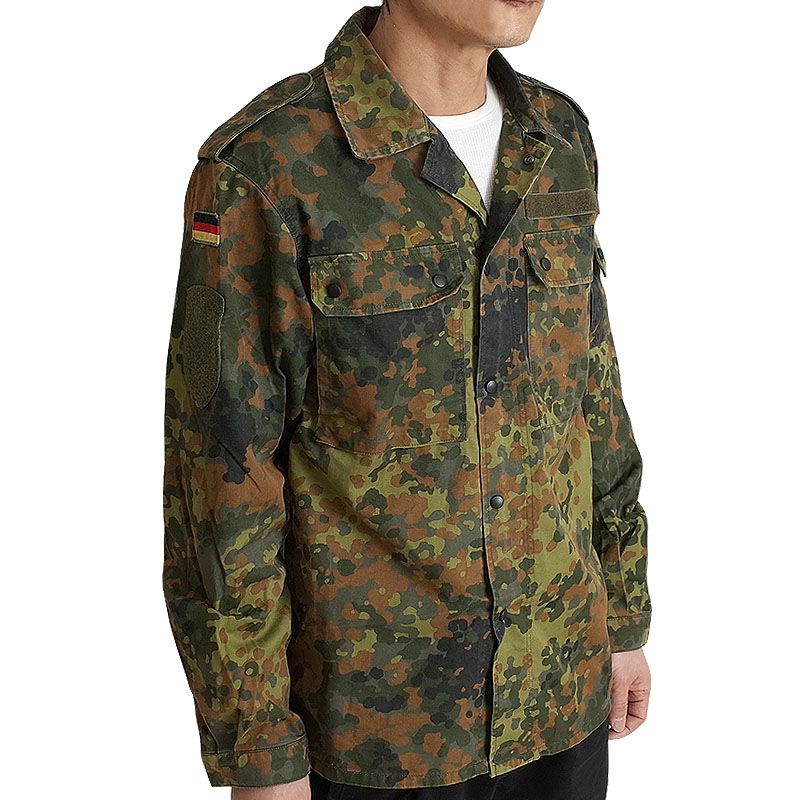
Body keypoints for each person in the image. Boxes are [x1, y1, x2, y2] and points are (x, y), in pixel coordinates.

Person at [162, 2, 652, 798]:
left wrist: (622, 616)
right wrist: (259, 744)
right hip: (379, 728)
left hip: (561, 687)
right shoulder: (266, 164)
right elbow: (220, 476)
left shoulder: (557, 136)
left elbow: (592, 390)